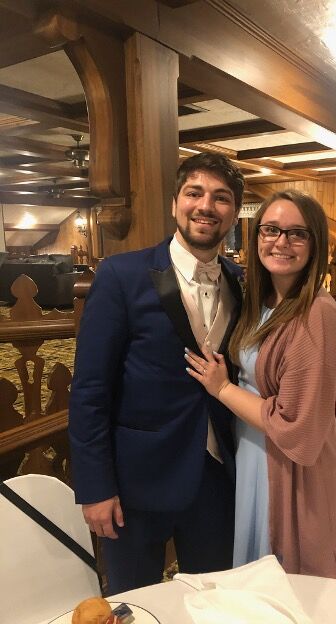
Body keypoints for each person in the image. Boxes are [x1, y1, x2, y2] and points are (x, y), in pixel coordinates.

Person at [68, 152, 245, 593]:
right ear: (175, 204)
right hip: (135, 483)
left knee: (212, 602)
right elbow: (90, 389)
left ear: (235, 213)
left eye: (221, 198)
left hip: (216, 477)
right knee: (134, 603)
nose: (206, 205)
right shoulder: (122, 275)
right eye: (194, 193)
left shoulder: (242, 281)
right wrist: (95, 487)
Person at [185, 190, 336, 579]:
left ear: (315, 243)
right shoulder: (262, 300)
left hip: (292, 469)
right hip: (255, 453)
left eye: (297, 233)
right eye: (271, 229)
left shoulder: (317, 315)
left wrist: (222, 389)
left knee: (291, 581)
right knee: (256, 575)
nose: (281, 242)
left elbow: (299, 427)